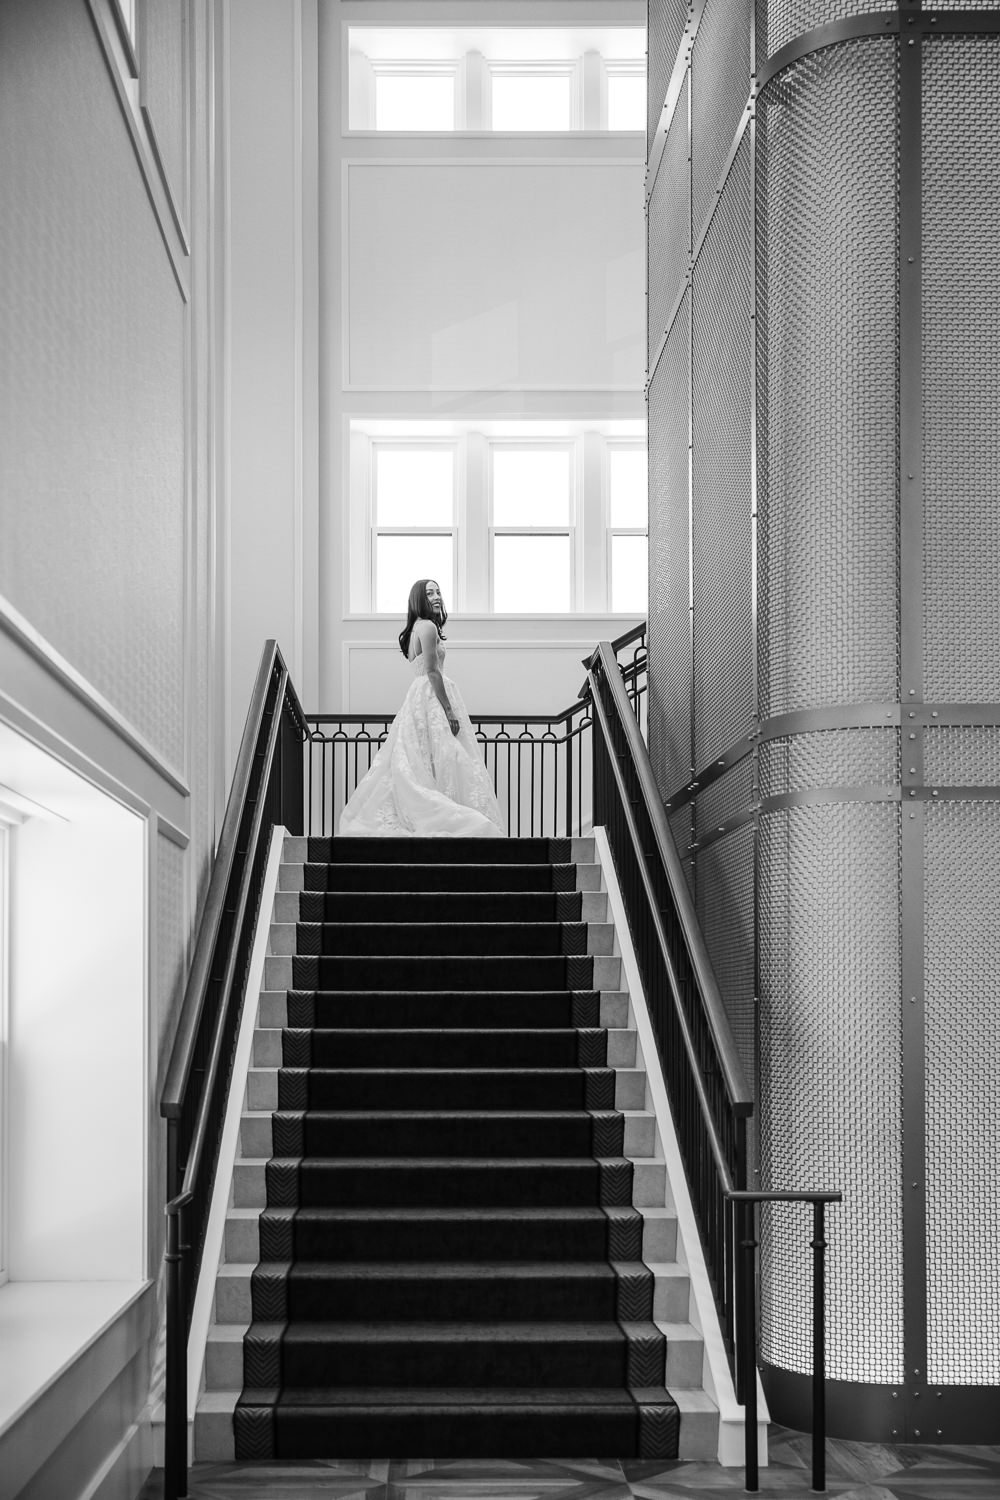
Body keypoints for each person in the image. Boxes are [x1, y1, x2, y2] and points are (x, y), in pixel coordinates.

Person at [338, 578, 506, 837]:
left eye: (438, 592)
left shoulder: (417, 628)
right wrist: (449, 711)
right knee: (448, 756)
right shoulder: (427, 627)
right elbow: (431, 671)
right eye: (430, 593)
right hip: (431, 696)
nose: (437, 596)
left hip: (419, 697)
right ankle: (448, 817)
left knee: (429, 758)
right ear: (419, 599)